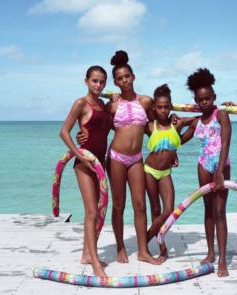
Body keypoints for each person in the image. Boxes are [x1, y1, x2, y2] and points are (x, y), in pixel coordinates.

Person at [106, 50, 160, 265]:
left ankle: (142, 251)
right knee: (119, 205)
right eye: (119, 78)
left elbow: (155, 129)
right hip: (117, 157)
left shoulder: (146, 102)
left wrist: (168, 151)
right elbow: (101, 128)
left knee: (140, 205)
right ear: (116, 82)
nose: (124, 80)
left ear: (133, 76)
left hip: (136, 158)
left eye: (127, 76)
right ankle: (120, 247)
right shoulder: (112, 105)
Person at [59, 65, 112, 277]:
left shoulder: (104, 105)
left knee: (99, 211)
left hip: (101, 162)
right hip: (84, 163)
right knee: (91, 211)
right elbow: (64, 132)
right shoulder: (81, 103)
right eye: (95, 81)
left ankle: (86, 254)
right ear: (86, 81)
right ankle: (95, 262)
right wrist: (78, 154)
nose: (98, 85)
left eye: (102, 82)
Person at [181, 68, 232, 277]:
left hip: (221, 164)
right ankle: (210, 253)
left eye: (207, 98)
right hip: (203, 164)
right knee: (207, 209)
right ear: (195, 100)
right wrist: (180, 122)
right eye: (200, 100)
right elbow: (179, 141)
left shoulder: (221, 115)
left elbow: (226, 142)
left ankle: (222, 260)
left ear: (214, 97)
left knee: (219, 211)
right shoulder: (196, 122)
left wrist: (220, 170)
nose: (204, 102)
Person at [144, 84, 194, 262]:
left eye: (166, 107)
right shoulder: (150, 125)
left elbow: (197, 122)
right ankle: (161, 246)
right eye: (159, 107)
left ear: (170, 107)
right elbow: (125, 127)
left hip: (165, 172)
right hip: (149, 170)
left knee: (168, 210)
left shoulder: (177, 123)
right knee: (155, 209)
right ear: (154, 108)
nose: (163, 110)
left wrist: (180, 142)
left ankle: (145, 239)